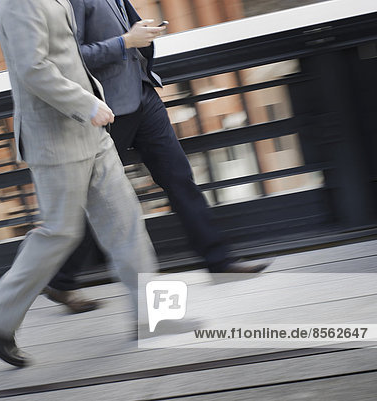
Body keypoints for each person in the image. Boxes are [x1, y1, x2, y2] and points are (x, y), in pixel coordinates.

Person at [44, 0, 271, 312]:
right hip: (110, 110)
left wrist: (143, 37)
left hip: (143, 96)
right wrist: (126, 41)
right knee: (96, 196)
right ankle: (61, 280)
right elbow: (73, 57)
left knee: (179, 177)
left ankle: (220, 261)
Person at [0, 0, 159, 368]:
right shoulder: (17, 4)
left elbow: (69, 52)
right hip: (56, 140)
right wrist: (86, 104)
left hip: (93, 136)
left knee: (126, 222)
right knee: (60, 233)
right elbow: (32, 67)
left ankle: (154, 318)